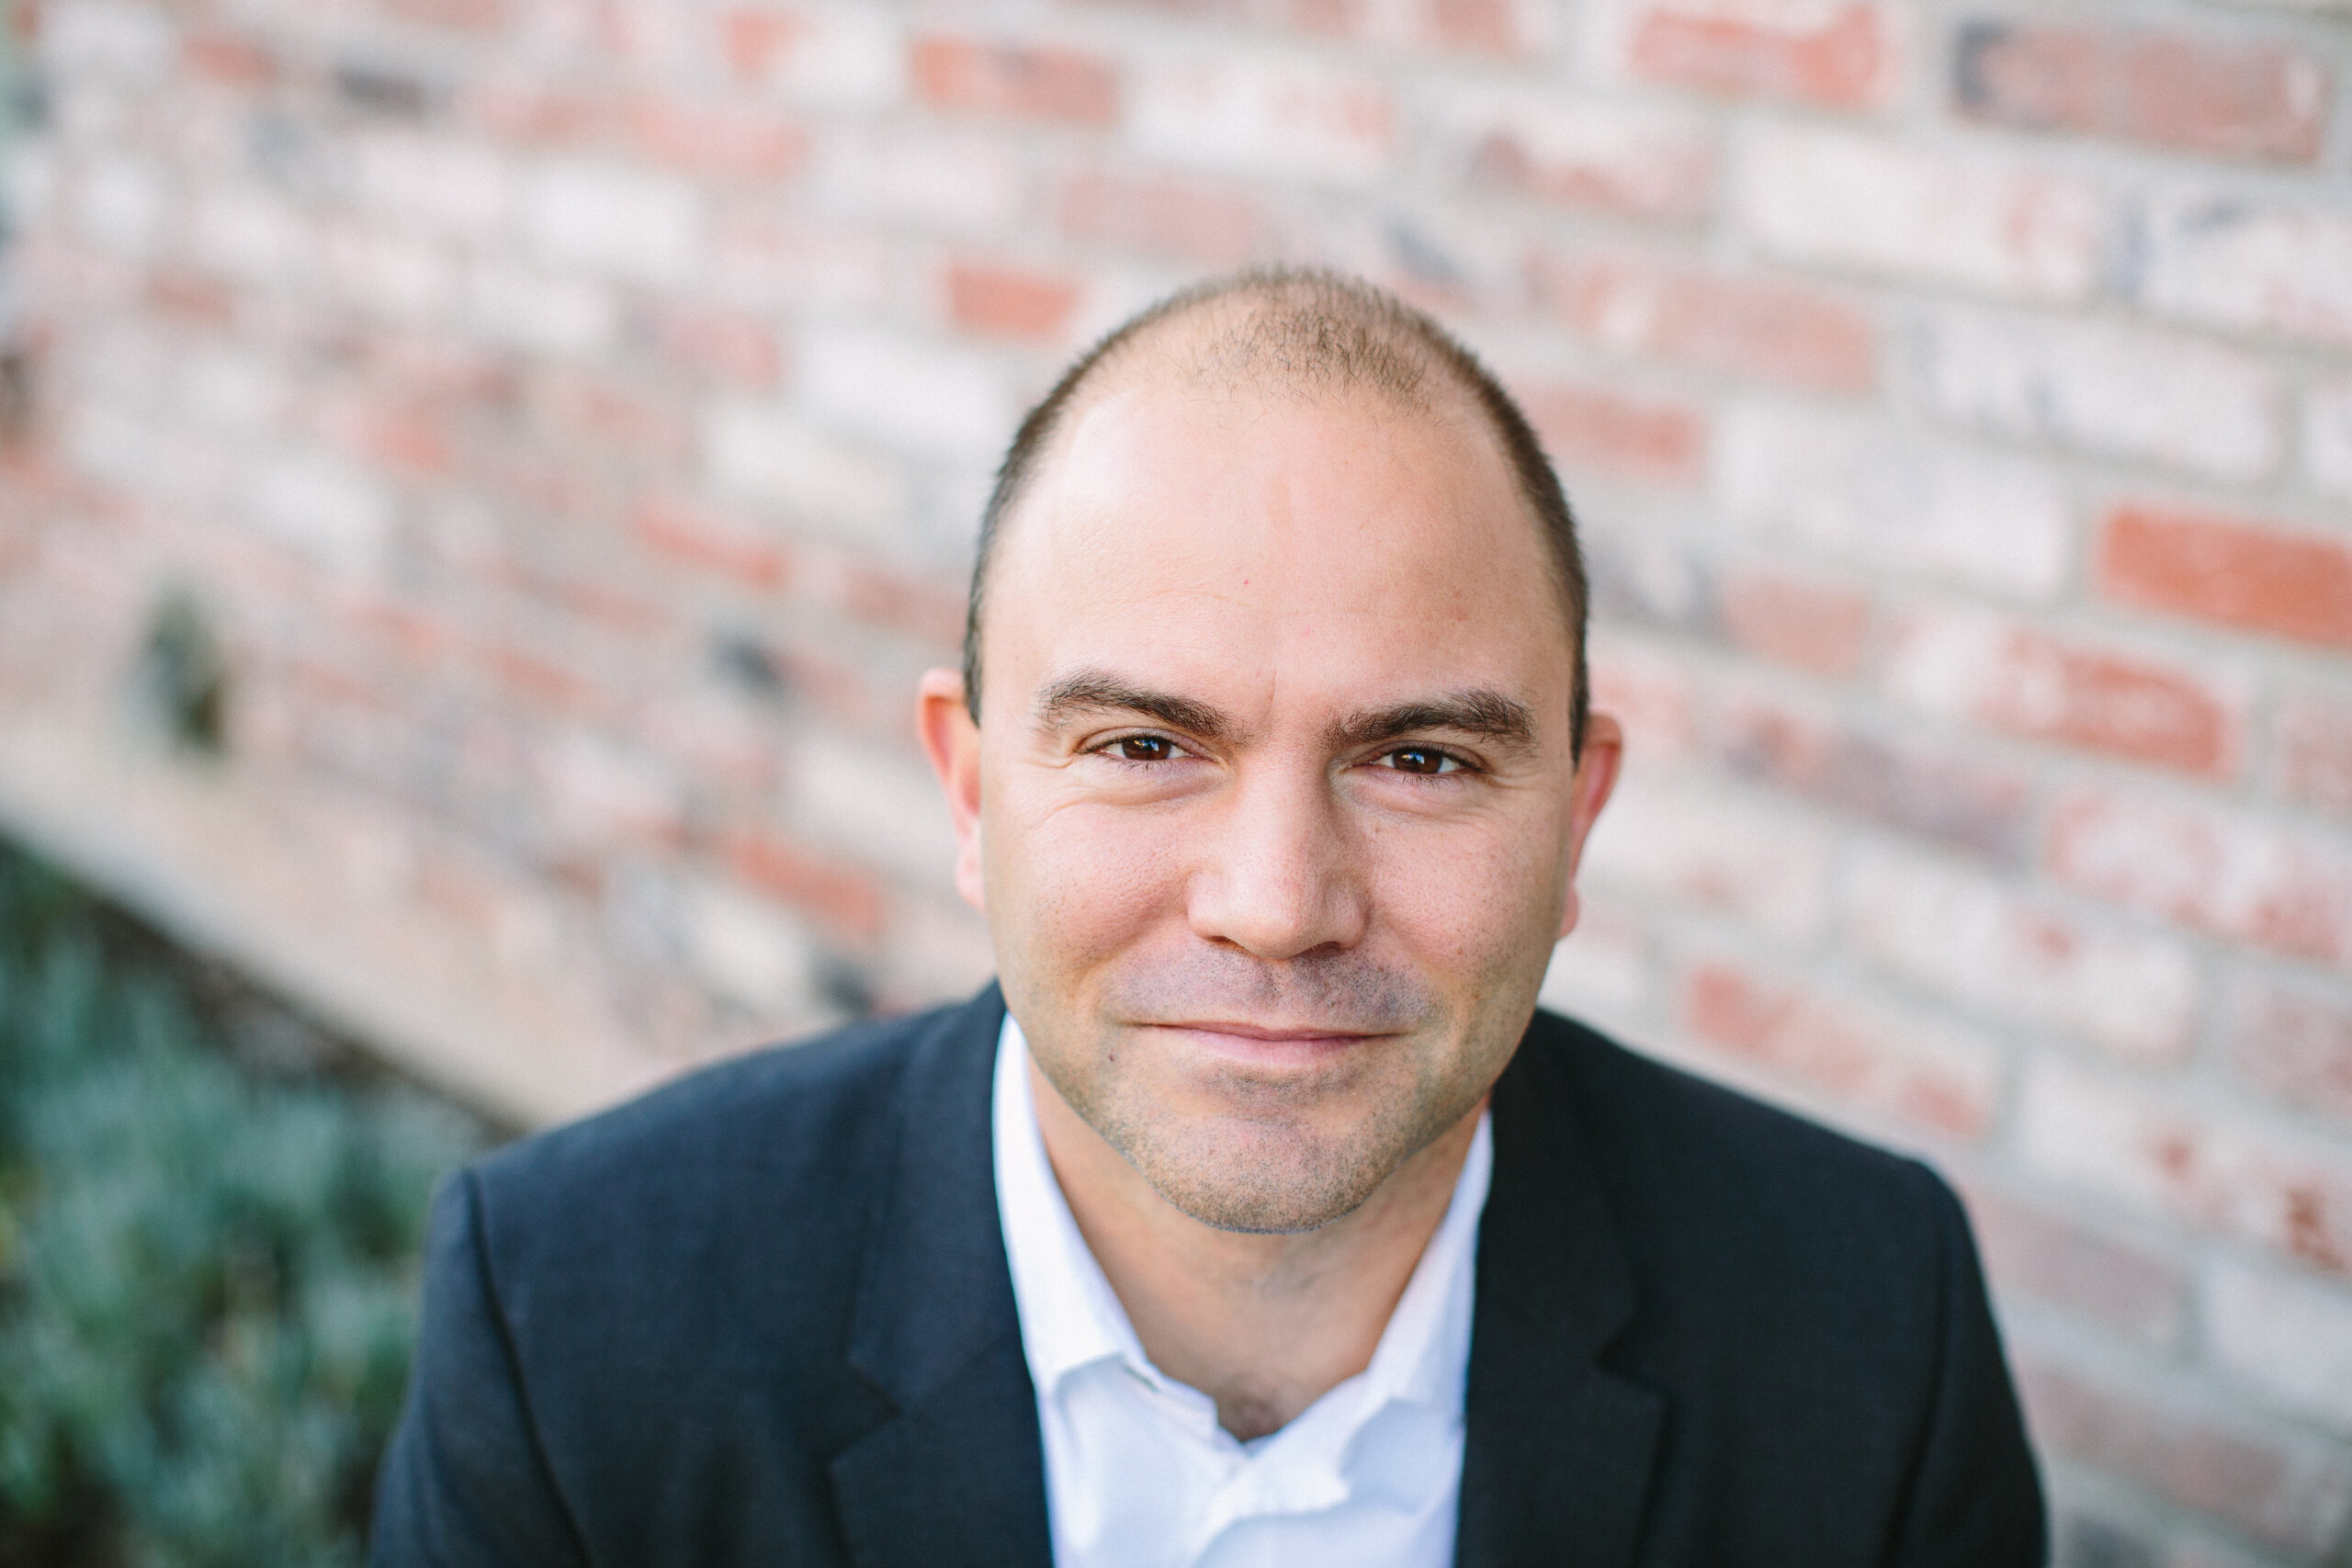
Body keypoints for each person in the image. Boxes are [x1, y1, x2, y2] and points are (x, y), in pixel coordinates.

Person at [372, 269, 2045, 1566]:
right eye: (1146, 747)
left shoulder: (1868, 1332)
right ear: (971, 791)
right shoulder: (575, 1331)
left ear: (1576, 815)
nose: (1276, 905)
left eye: (1419, 759)